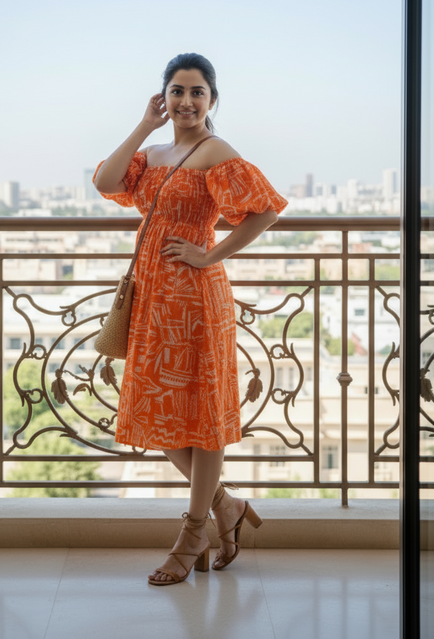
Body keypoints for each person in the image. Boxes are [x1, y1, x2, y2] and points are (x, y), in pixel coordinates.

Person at [94, 52, 288, 585]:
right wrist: (142, 125)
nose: (186, 101)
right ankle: (226, 507)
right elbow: (107, 181)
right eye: (177, 91)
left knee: (202, 412)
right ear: (164, 96)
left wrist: (210, 254)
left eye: (197, 92)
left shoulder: (216, 151)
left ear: (212, 99)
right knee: (152, 404)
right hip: (154, 297)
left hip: (197, 297)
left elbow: (266, 209)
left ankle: (193, 531)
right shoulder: (153, 150)